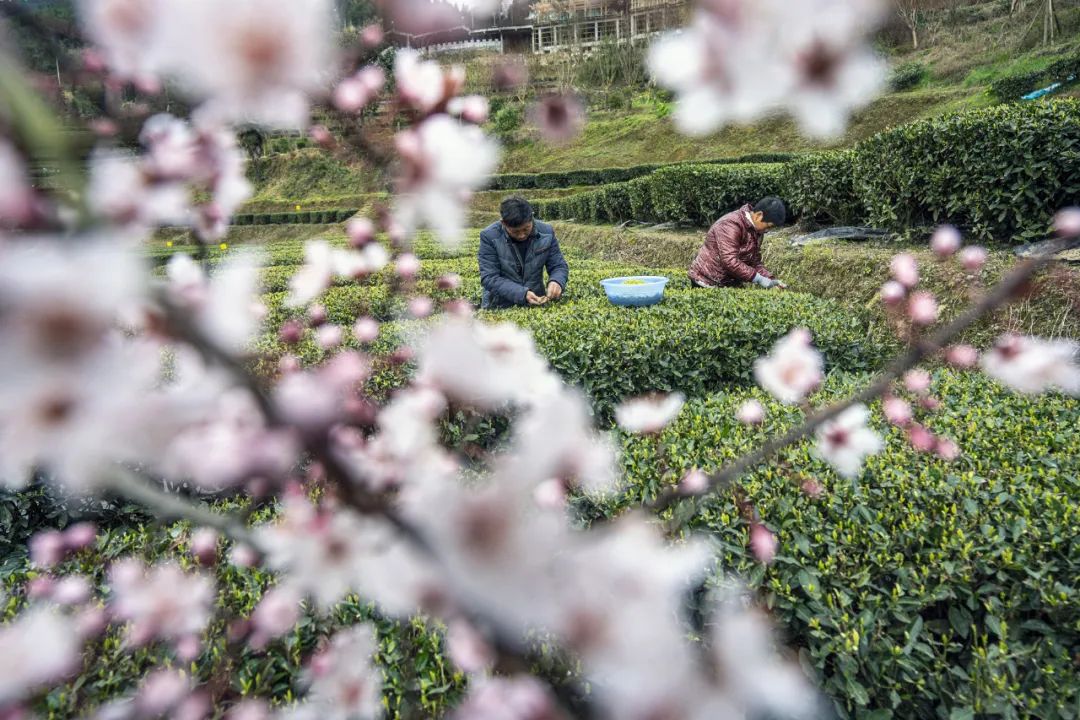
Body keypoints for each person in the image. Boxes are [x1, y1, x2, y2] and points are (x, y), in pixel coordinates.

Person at [479, 195, 569, 309]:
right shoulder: (489, 236)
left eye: (526, 229)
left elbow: (558, 265)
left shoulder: (546, 232)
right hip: (499, 305)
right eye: (515, 231)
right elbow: (489, 277)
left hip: (535, 302)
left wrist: (557, 281)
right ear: (503, 223)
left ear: (531, 217)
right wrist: (522, 294)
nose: (521, 235)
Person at [688, 197, 788, 290]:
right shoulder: (730, 225)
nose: (767, 231)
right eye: (768, 226)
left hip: (728, 283)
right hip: (707, 281)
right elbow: (729, 260)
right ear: (758, 215)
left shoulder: (757, 231)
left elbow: (754, 261)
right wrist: (759, 279)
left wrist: (770, 279)